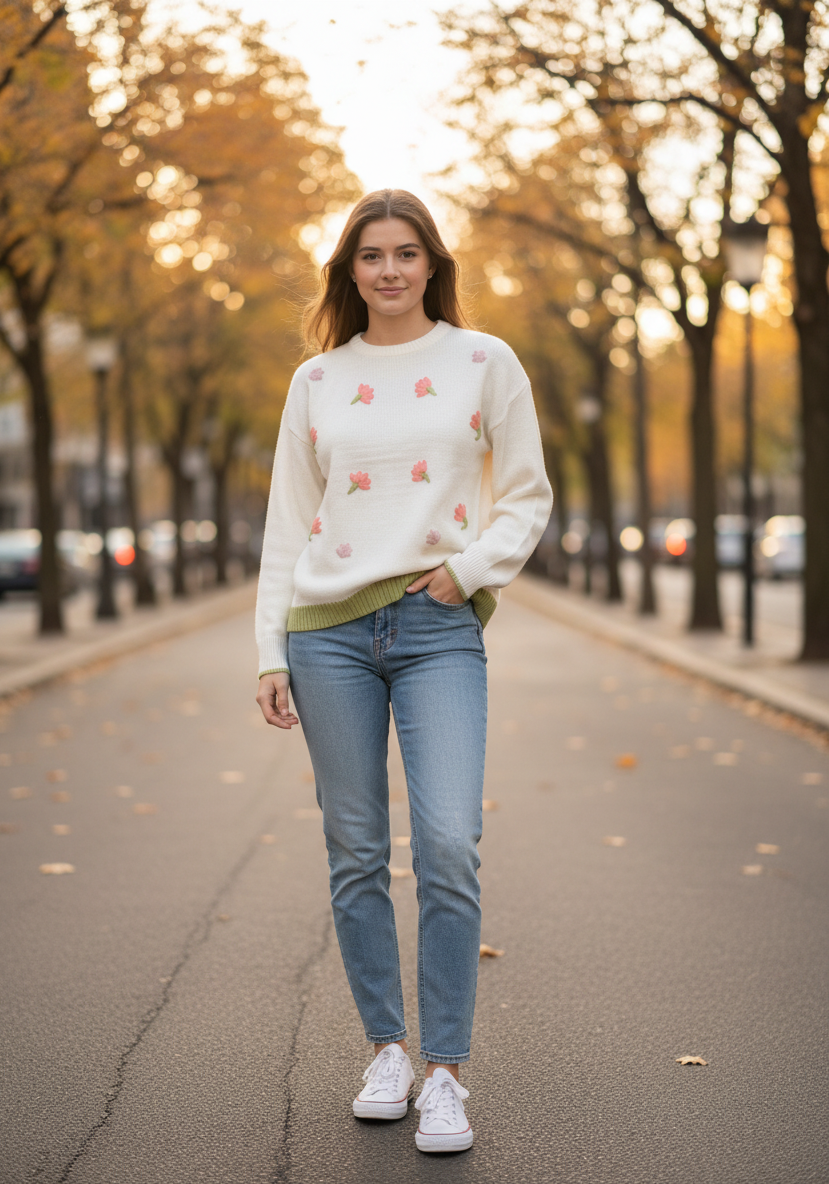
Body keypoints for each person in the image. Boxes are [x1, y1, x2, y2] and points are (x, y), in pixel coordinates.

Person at [255, 189, 552, 1153]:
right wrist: (271, 649)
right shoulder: (317, 381)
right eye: (371, 256)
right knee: (354, 852)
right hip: (327, 634)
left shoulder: (482, 362)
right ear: (350, 271)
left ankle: (448, 1073)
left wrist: (465, 572)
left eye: (406, 254)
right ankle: (387, 1048)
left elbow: (527, 495)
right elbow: (285, 525)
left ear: (433, 265)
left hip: (435, 629)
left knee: (448, 844)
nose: (389, 271)